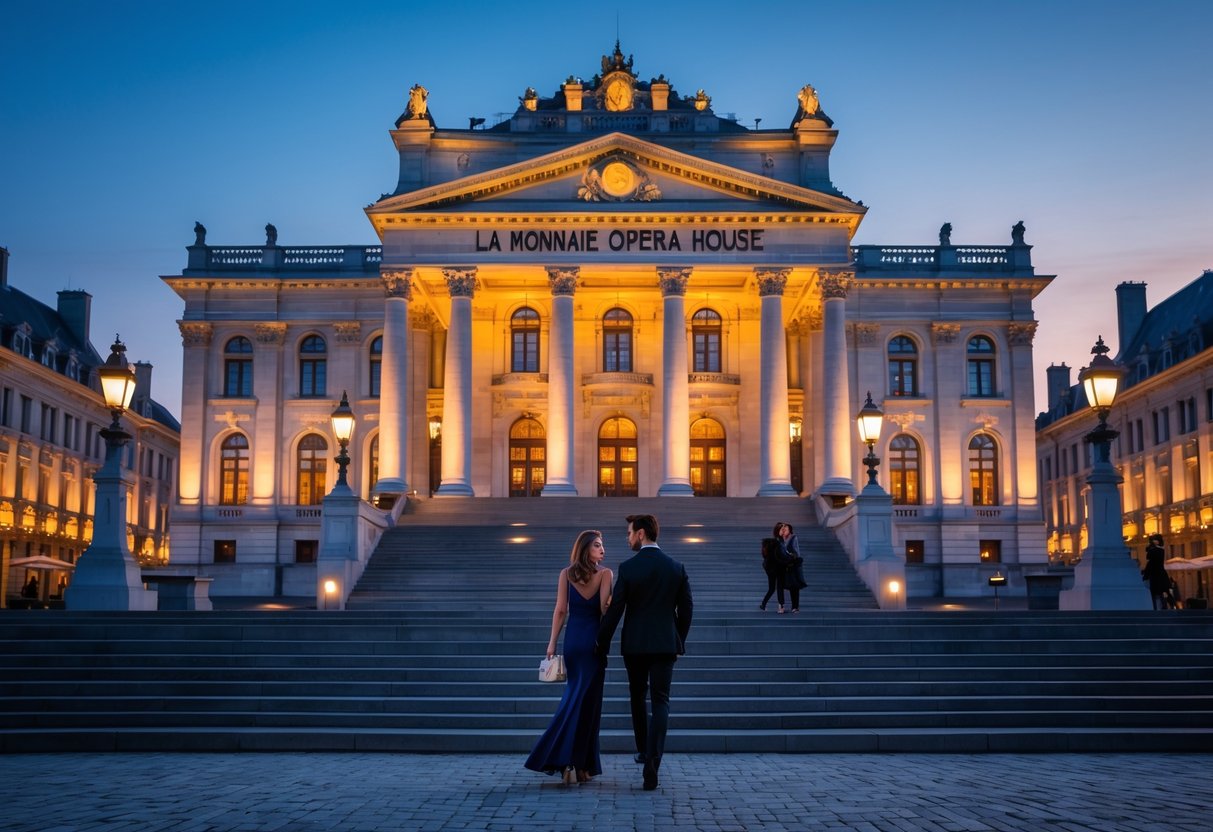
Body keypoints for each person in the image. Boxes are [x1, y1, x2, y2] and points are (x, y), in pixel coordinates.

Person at [596, 514, 693, 791]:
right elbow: (686, 608)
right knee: (661, 700)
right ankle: (654, 759)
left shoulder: (628, 568)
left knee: (638, 696)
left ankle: (642, 750)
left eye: (629, 533)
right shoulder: (675, 567)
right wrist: (679, 640)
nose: (627, 538)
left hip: (635, 645)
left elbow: (616, 611)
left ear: (640, 534)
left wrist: (600, 642)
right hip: (664, 644)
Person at [525, 530, 613, 785]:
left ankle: (573, 764)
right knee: (589, 704)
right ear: (586, 548)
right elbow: (603, 610)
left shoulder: (565, 574)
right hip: (594, 644)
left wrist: (552, 642)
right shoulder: (605, 574)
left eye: (602, 545)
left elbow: (561, 609)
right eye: (597, 545)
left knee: (574, 698)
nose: (602, 549)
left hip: (573, 642)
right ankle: (580, 765)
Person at [777, 522, 805, 613]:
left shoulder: (793, 538)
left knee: (794, 586)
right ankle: (781, 606)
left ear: (790, 530)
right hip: (782, 567)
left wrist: (792, 557)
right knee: (780, 586)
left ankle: (795, 607)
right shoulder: (779, 539)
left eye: (786, 529)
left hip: (792, 566)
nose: (784, 530)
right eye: (783, 529)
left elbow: (797, 551)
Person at [1142, 534, 1173, 609]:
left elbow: (1149, 557)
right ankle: (1167, 606)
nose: (1153, 541)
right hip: (1159, 573)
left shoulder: (1157, 550)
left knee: (1157, 593)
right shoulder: (1159, 550)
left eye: (1154, 540)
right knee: (1160, 592)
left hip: (1156, 574)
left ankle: (1160, 607)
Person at [759, 536, 784, 611]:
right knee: (779, 587)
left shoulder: (766, 546)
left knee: (772, 588)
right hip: (778, 569)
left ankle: (763, 604)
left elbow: (764, 556)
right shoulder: (777, 546)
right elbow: (780, 558)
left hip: (769, 570)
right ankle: (781, 606)